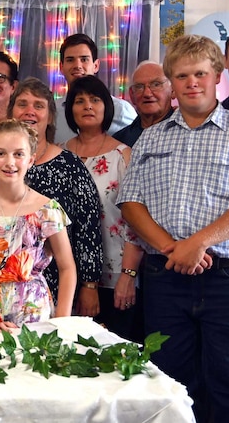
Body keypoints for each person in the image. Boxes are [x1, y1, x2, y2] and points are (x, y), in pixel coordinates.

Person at [117, 35, 229, 422]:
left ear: (217, 76)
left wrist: (198, 243)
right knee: (169, 384)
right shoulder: (151, 138)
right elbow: (131, 202)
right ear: (171, 83)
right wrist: (175, 249)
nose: (192, 82)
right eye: (182, 75)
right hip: (164, 278)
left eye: (200, 74)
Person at [0, 78, 103, 318]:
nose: (30, 111)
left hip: (41, 301)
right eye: (22, 104)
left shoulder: (66, 171)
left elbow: (88, 229)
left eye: (38, 105)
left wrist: (87, 287)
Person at [0, 120, 76, 330]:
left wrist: (61, 325)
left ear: (31, 160)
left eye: (18, 154)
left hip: (35, 315)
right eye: (1, 153)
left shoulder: (48, 209)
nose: (9, 162)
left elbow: (67, 267)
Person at [61, 75, 143, 341]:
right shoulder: (58, 155)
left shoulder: (124, 155)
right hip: (67, 273)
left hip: (116, 276)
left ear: (107, 107)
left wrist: (128, 276)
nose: (87, 106)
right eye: (80, 100)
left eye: (95, 100)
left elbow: (136, 222)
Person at [54, 33, 136, 144]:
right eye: (70, 60)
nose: (77, 65)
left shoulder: (121, 110)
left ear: (96, 66)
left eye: (84, 59)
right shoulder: (52, 112)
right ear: (61, 67)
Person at [113, 61, 175, 147]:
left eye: (156, 85)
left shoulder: (187, 131)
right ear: (132, 95)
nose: (147, 94)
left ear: (173, 90)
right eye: (139, 87)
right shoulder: (119, 141)